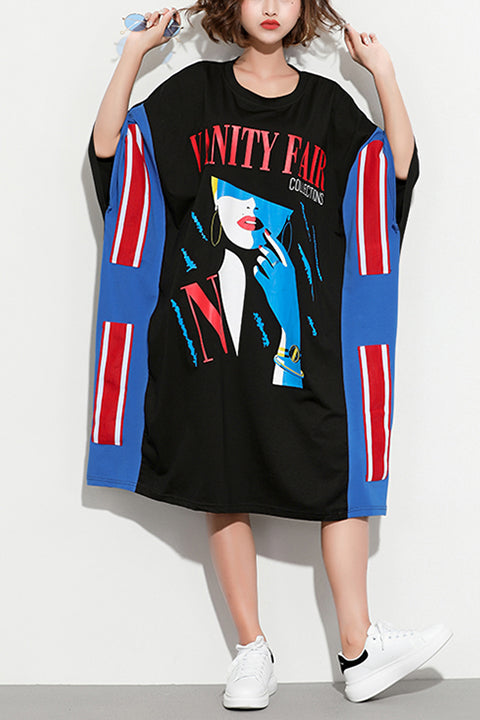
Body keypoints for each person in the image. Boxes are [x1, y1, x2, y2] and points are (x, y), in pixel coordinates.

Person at [87, 0, 452, 710]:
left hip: (298, 337)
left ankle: (360, 648)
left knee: (341, 464)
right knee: (222, 477)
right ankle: (251, 650)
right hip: (210, 342)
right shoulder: (194, 93)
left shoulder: (327, 106)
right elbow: (114, 154)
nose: (272, 6)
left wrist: (382, 74)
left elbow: (391, 175)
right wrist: (134, 54)